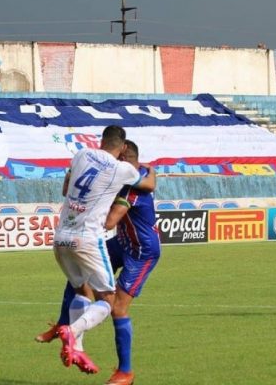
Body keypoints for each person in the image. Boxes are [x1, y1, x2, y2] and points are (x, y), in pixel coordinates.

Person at [52, 126, 154, 375]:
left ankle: (77, 348)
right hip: (88, 238)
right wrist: (152, 171)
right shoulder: (123, 170)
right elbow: (148, 185)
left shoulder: (81, 155)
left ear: (101, 140)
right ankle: (71, 331)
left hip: (61, 238)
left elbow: (67, 189)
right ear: (124, 148)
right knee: (109, 302)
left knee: (81, 289)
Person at [100, 140, 161, 385]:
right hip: (122, 243)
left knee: (118, 308)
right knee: (83, 268)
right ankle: (69, 327)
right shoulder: (140, 175)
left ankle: (125, 372)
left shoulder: (133, 187)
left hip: (141, 252)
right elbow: (149, 175)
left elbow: (109, 222)